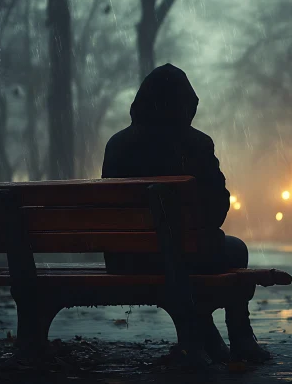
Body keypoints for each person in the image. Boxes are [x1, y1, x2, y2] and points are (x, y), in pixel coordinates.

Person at [101, 64, 270, 363]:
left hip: (126, 259)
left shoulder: (117, 145)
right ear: (187, 104)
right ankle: (241, 337)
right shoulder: (195, 144)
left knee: (193, 259)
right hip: (187, 256)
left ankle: (206, 338)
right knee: (235, 249)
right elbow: (216, 211)